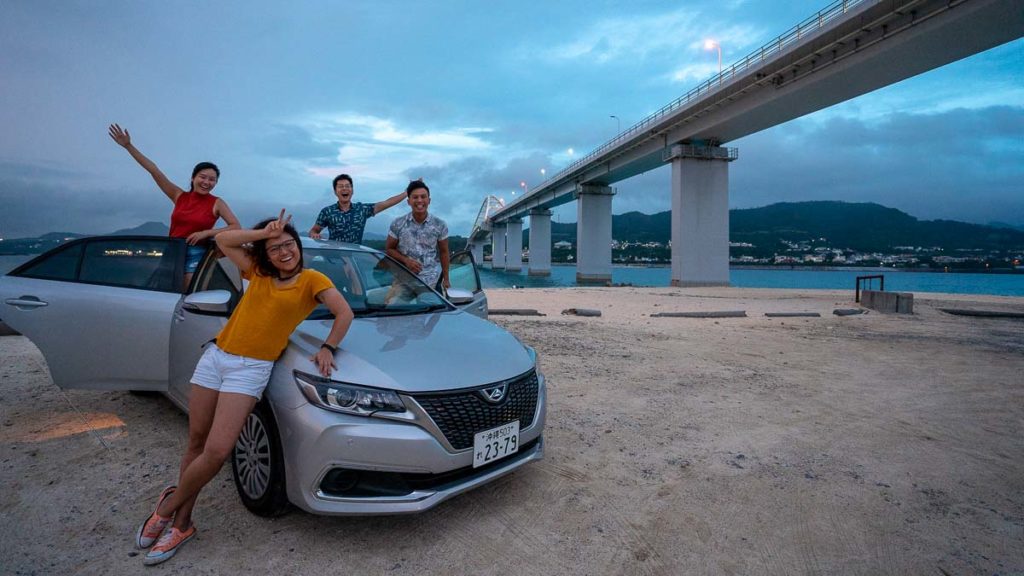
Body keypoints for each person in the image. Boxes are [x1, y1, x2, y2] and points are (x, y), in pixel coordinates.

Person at [134, 210, 354, 566]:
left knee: (218, 451)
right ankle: (182, 524)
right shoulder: (256, 273)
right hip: (216, 357)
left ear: (298, 247)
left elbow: (344, 313)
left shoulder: (311, 280)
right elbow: (222, 240)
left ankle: (166, 508)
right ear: (265, 254)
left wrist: (327, 346)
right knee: (196, 443)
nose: (284, 252)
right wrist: (263, 231)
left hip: (250, 369)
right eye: (275, 248)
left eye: (289, 245)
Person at [108, 124, 240, 287]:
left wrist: (206, 233)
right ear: (193, 178)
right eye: (202, 177)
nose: (206, 182)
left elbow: (235, 226)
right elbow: (154, 171)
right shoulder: (179, 196)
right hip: (172, 250)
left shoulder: (217, 203)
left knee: (186, 297)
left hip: (196, 253)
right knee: (161, 292)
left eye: (212, 179)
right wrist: (128, 146)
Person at [385, 179, 450, 291]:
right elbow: (389, 249)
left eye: (423, 197)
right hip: (403, 282)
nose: (419, 201)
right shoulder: (398, 223)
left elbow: (444, 252)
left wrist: (446, 279)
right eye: (415, 197)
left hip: (431, 285)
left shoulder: (440, 225)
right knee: (390, 306)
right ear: (408, 201)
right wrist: (406, 260)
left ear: (429, 200)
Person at [308, 174, 408, 243]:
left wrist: (407, 192)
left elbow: (386, 203)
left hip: (354, 257)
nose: (344, 189)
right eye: (340, 186)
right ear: (335, 191)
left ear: (352, 190)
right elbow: (313, 231)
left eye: (347, 186)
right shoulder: (327, 211)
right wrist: (314, 235)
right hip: (334, 259)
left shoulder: (361, 209)